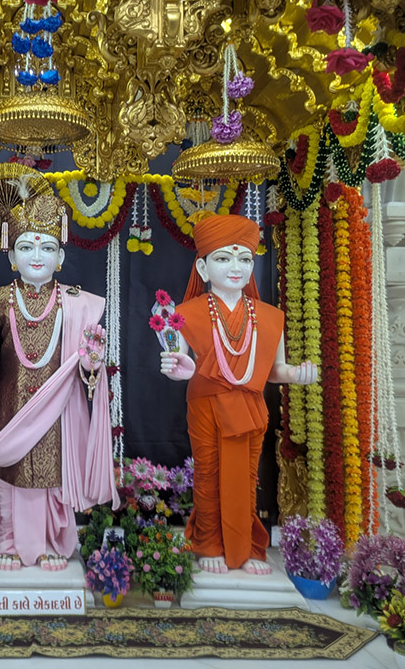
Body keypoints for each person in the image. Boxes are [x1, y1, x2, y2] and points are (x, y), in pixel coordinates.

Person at [0, 168, 119, 572]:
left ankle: (50, 542)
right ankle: (10, 542)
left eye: (47, 247)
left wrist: (91, 363)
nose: (36, 255)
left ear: (60, 258)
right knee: (12, 478)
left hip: (58, 409)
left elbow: (87, 361)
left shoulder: (77, 302)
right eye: (26, 246)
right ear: (11, 256)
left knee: (51, 475)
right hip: (10, 404)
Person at [159, 214, 317, 575]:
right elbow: (179, 363)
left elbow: (275, 370)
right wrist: (177, 370)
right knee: (209, 474)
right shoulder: (184, 314)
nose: (236, 267)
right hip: (206, 405)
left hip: (250, 406)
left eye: (245, 259)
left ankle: (244, 548)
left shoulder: (270, 317)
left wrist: (296, 374)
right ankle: (209, 543)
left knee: (245, 479)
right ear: (202, 267)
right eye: (223, 258)